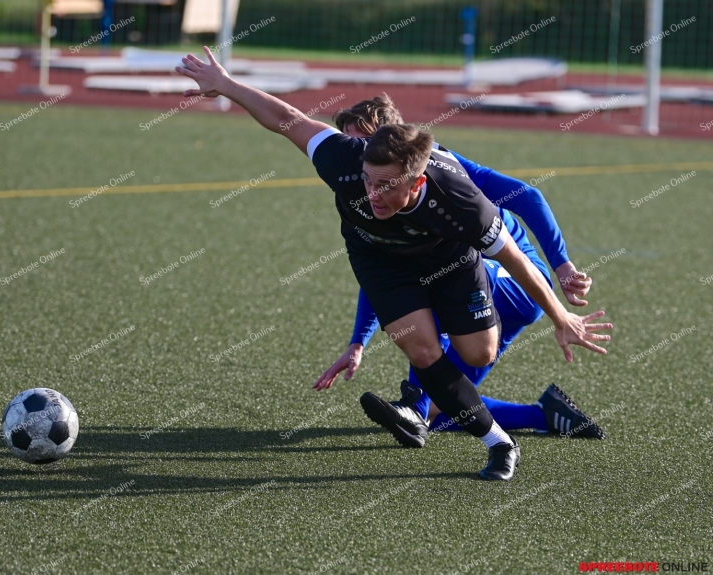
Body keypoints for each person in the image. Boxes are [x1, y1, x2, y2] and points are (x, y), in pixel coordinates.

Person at [177, 48, 612, 481]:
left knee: (475, 354)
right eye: (367, 176)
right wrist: (227, 86)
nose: (372, 194)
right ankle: (491, 439)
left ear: (416, 178)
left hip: (467, 266)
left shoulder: (461, 201)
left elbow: (517, 252)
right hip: (385, 261)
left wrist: (562, 312)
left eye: (386, 185)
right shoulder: (343, 159)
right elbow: (286, 117)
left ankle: (428, 406)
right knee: (421, 348)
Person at [313, 96, 606, 447]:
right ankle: (543, 414)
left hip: (517, 280)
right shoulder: (371, 193)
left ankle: (414, 405)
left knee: (430, 289)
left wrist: (563, 267)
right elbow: (380, 274)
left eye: (361, 143)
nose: (356, 154)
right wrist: (358, 342)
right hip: (477, 280)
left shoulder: (439, 170)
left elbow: (527, 195)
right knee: (448, 409)